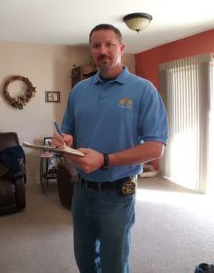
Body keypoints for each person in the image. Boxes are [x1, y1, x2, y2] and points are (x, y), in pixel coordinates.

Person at [52, 24, 168, 273]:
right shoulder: (79, 91)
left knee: (114, 263)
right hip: (81, 190)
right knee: (84, 258)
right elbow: (68, 130)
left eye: (109, 44)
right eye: (96, 45)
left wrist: (105, 160)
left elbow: (155, 147)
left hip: (118, 193)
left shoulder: (143, 90)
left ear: (122, 48)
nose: (102, 50)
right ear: (91, 51)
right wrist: (64, 140)